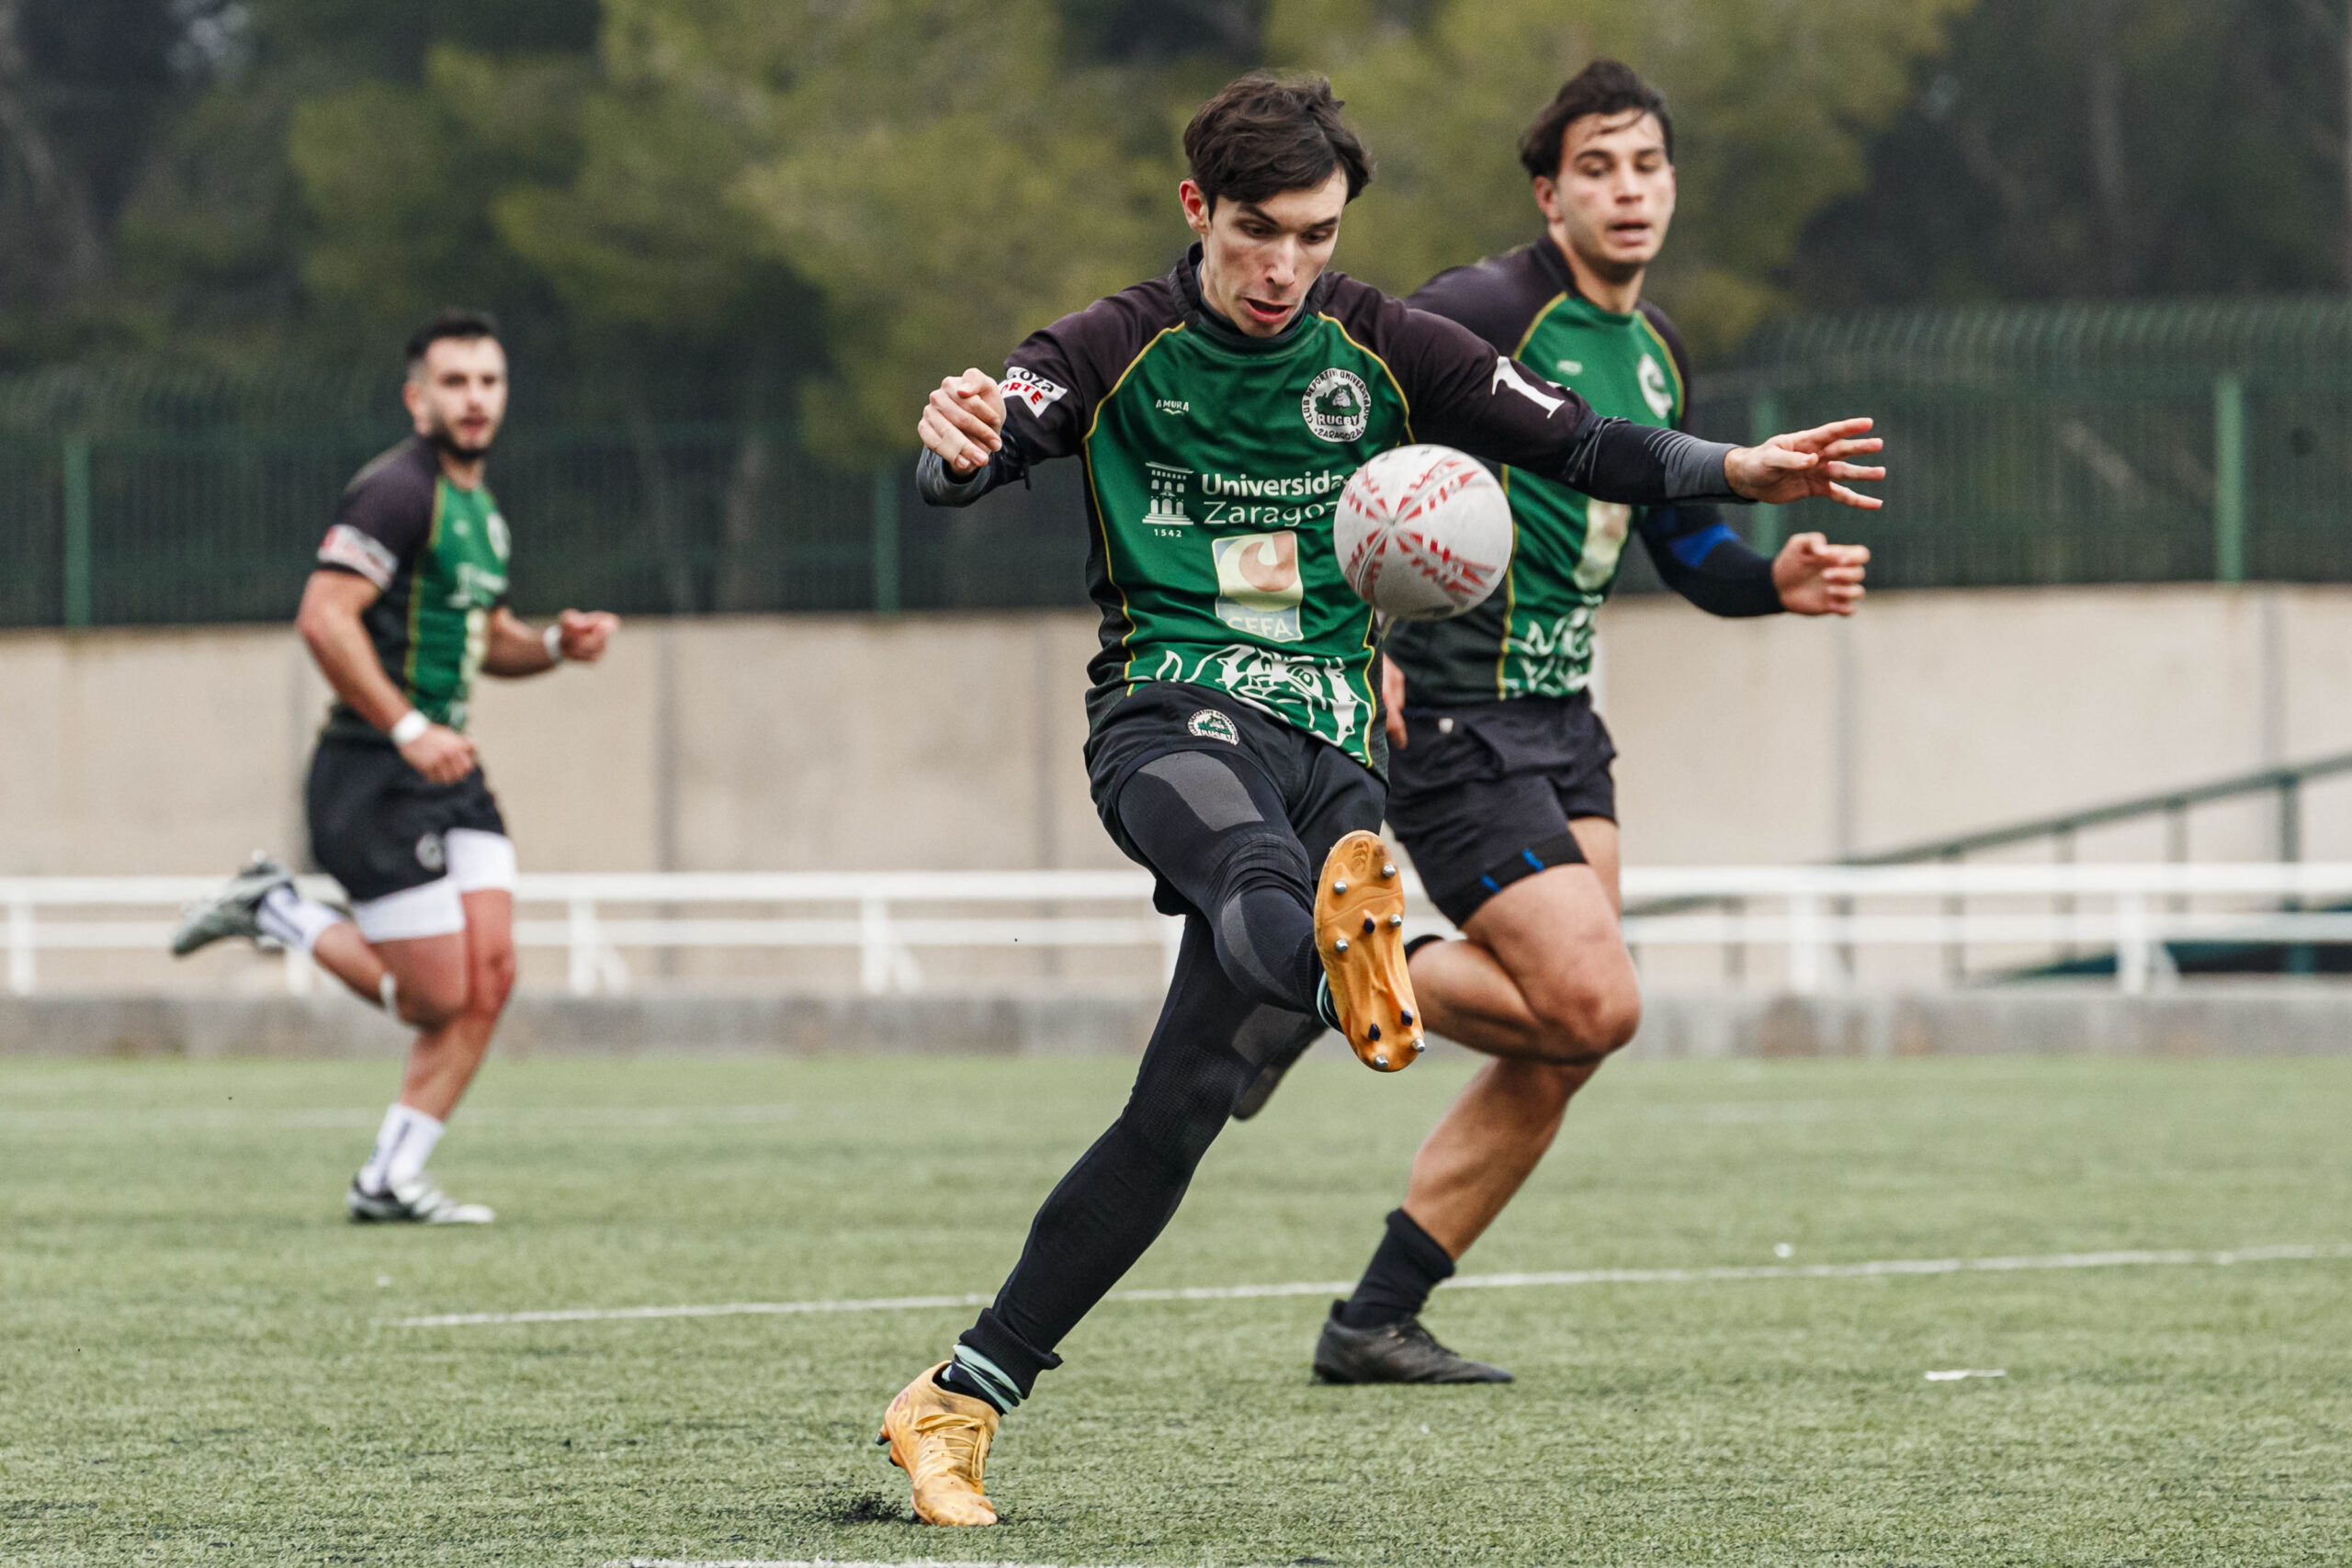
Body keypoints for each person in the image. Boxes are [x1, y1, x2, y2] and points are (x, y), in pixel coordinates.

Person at [873, 71, 1883, 1527]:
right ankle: (1337, 970)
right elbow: (970, 453)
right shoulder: (1109, 346)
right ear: (1197, 214)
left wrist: (1738, 468)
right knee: (1247, 878)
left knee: (1175, 1116)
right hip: (1170, 713)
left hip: (1338, 740)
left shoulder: (1391, 344)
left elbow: (1584, 444)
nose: (1285, 267)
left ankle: (956, 1395)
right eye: (1259, 233)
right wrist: (953, 442)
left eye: (1316, 235)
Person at [1278, 62, 1874, 1386]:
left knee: (1567, 1042)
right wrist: (1347, 629)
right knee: (1594, 999)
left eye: (1648, 165)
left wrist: (1768, 581)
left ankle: (1372, 1318)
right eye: (1598, 167)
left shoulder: (1653, 350)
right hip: (1451, 714)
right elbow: (1334, 429)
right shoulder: (1485, 310)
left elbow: (1687, 538)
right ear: (1549, 193)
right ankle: (1321, 974)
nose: (1628, 190)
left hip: (1564, 721)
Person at [171, 309, 618, 1224]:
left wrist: (551, 644)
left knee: (492, 979)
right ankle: (277, 909)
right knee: (436, 997)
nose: (474, 399)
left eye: (488, 382)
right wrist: (409, 725)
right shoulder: (394, 492)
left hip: (451, 775)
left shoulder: (480, 512)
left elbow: (485, 637)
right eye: (453, 383)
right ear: (418, 398)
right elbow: (323, 618)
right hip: (371, 774)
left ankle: (387, 1180)